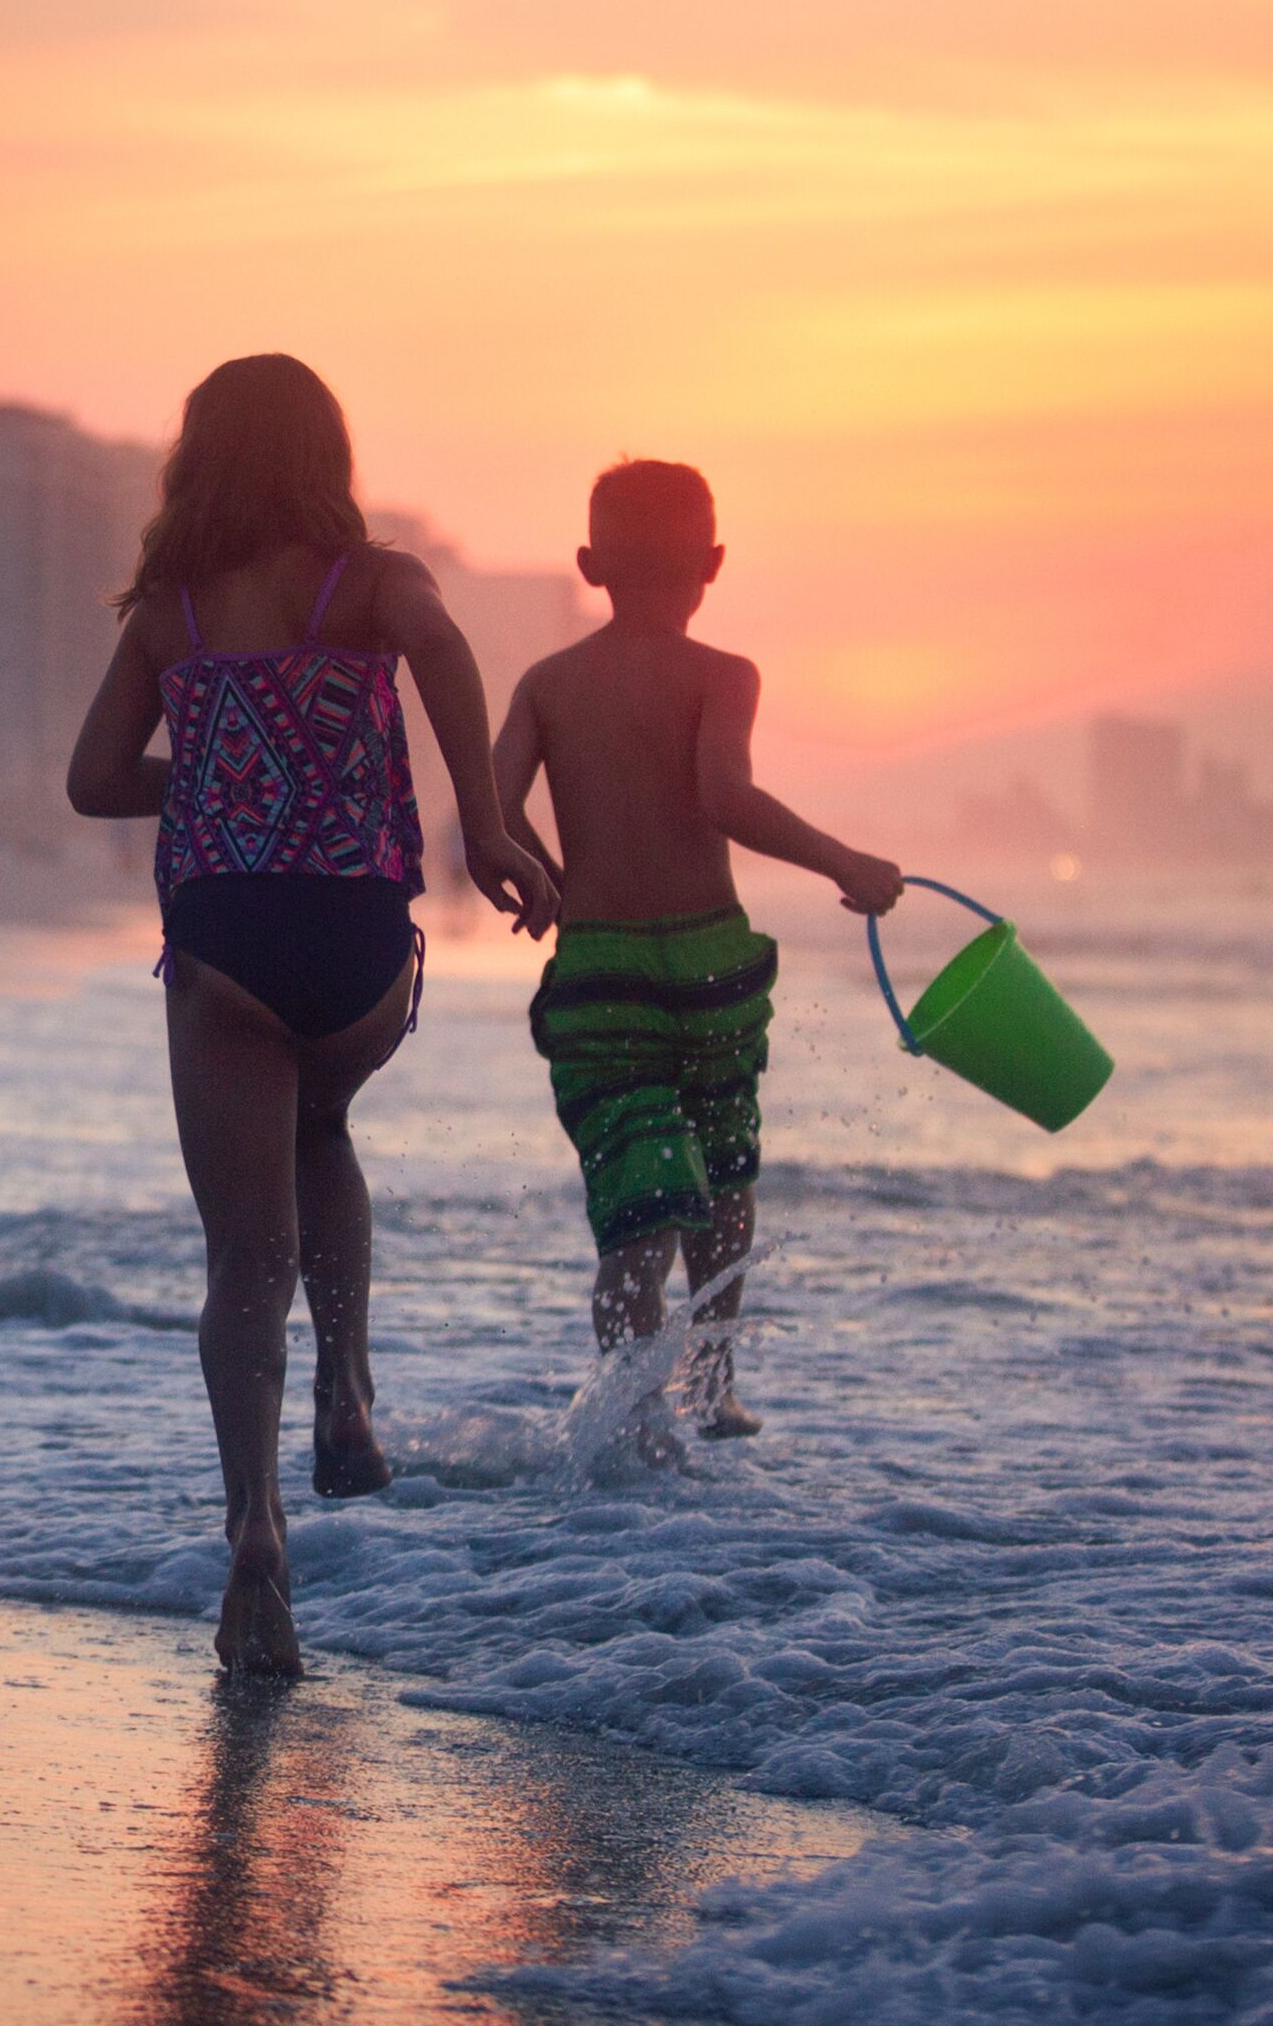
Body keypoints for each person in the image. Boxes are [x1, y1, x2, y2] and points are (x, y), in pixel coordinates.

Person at [66, 354, 560, 1675]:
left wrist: (222, 765)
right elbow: (448, 651)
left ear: (198, 458)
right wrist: (490, 825)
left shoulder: (169, 612)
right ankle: (346, 1385)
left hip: (226, 935)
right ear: (326, 453)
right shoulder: (375, 584)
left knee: (242, 1257)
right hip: (352, 937)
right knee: (324, 1126)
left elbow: (94, 779)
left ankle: (254, 1534)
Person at [492, 459, 903, 1443]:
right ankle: (713, 1387)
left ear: (589, 564)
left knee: (637, 1210)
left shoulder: (548, 686)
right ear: (713, 563)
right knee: (726, 1177)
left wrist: (538, 877)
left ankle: (632, 1426)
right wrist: (842, 858)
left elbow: (491, 810)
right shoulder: (724, 676)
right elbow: (724, 796)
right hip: (712, 968)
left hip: (601, 978)